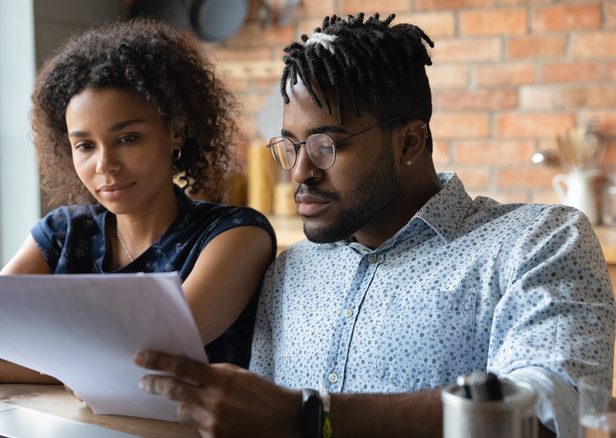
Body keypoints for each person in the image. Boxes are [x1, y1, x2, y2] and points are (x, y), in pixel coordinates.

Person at [134, 13, 616, 438]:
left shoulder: (538, 241)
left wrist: (308, 418)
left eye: (326, 145)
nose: (300, 171)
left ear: (409, 142)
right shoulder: (289, 271)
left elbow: (552, 414)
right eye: (290, 146)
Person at [0, 18, 276, 383]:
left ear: (175, 132)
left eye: (128, 138)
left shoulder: (235, 234)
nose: (105, 165)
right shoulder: (62, 233)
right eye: (84, 145)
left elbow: (149, 355)